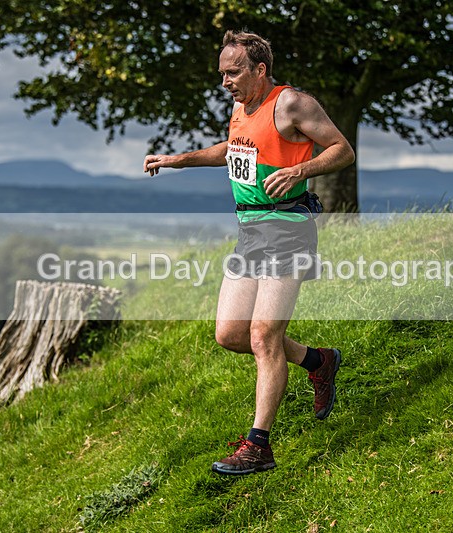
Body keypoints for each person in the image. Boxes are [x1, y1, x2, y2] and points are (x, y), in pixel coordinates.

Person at [143, 30, 355, 475]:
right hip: (250, 231)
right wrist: (180, 159)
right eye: (222, 74)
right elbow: (233, 150)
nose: (225, 82)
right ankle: (320, 361)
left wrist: (301, 167)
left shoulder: (292, 103)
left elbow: (342, 150)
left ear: (260, 69)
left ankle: (258, 446)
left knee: (263, 336)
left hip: (288, 227)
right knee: (231, 334)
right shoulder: (241, 107)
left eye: (233, 72)